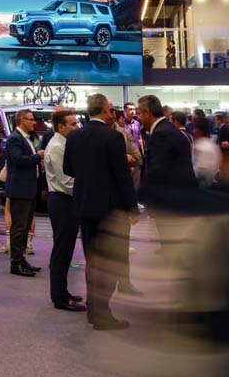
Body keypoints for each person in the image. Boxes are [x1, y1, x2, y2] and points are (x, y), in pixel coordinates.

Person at [65, 94, 139, 330]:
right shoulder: (112, 136)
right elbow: (122, 175)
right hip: (110, 208)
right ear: (104, 110)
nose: (112, 113)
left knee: (93, 261)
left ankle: (94, 309)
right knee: (109, 262)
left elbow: (68, 168)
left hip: (84, 206)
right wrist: (132, 207)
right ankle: (101, 314)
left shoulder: (74, 136)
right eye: (110, 109)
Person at [44, 109, 85, 311]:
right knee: (62, 249)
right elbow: (67, 181)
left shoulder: (64, 144)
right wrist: (87, 189)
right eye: (73, 124)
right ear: (60, 127)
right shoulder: (57, 147)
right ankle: (59, 296)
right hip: (62, 201)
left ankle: (62, 291)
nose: (77, 127)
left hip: (65, 200)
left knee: (66, 249)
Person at [138, 94, 197, 207]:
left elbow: (157, 172)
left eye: (139, 113)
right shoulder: (169, 128)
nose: (138, 118)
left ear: (147, 113)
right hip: (182, 196)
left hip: (172, 202)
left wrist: (141, 197)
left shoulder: (160, 134)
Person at [6, 108, 42, 276]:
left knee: (25, 226)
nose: (33, 122)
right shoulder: (15, 138)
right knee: (19, 227)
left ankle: (20, 259)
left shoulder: (26, 138)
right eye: (30, 119)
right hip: (20, 189)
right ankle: (16, 263)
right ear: (21, 121)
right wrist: (38, 157)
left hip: (28, 188)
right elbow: (18, 160)